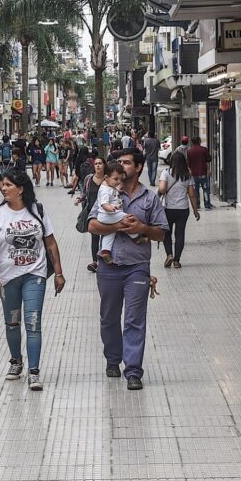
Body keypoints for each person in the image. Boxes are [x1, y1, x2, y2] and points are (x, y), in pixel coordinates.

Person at [88, 148, 168, 390]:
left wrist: (142, 228)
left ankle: (133, 370)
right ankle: (113, 358)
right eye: (119, 163)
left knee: (135, 319)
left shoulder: (149, 198)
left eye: (126, 163)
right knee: (109, 317)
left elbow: (162, 233)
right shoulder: (107, 192)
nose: (120, 167)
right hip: (109, 266)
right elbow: (91, 225)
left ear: (139, 167)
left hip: (137, 267)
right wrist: (115, 227)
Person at [0, 168, 65, 391]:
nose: (3, 188)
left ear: (20, 189)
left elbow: (50, 242)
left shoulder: (37, 211)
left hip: (34, 275)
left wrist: (58, 272)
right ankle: (16, 360)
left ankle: (34, 371)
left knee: (33, 322)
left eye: (8, 185)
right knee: (12, 322)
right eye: (3, 185)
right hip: (8, 279)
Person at [158, 152, 200, 269]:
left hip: (168, 209)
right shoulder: (187, 175)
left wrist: (160, 190)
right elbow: (192, 194)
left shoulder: (166, 173)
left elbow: (162, 189)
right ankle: (176, 261)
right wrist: (195, 211)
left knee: (167, 233)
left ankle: (169, 255)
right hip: (183, 209)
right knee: (180, 234)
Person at [94, 162, 141, 264]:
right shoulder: (105, 190)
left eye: (120, 179)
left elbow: (113, 191)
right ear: (106, 177)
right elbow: (104, 204)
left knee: (110, 233)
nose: (118, 182)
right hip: (108, 214)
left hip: (107, 217)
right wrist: (111, 208)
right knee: (127, 218)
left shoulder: (109, 187)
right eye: (116, 179)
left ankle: (105, 251)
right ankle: (136, 237)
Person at [78, 156, 106, 273]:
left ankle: (104, 260)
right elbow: (85, 193)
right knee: (94, 237)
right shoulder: (89, 179)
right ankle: (95, 261)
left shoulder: (108, 179)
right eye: (96, 164)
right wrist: (80, 198)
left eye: (100, 163)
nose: (98, 165)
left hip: (105, 213)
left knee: (105, 237)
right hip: (92, 213)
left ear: (104, 165)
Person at [186, 136, 213, 209]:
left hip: (194, 174)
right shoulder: (204, 150)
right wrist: (208, 170)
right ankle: (207, 204)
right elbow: (208, 159)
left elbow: (188, 164)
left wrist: (190, 172)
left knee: (196, 190)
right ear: (199, 141)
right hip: (203, 173)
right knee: (205, 189)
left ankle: (197, 205)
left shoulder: (189, 151)